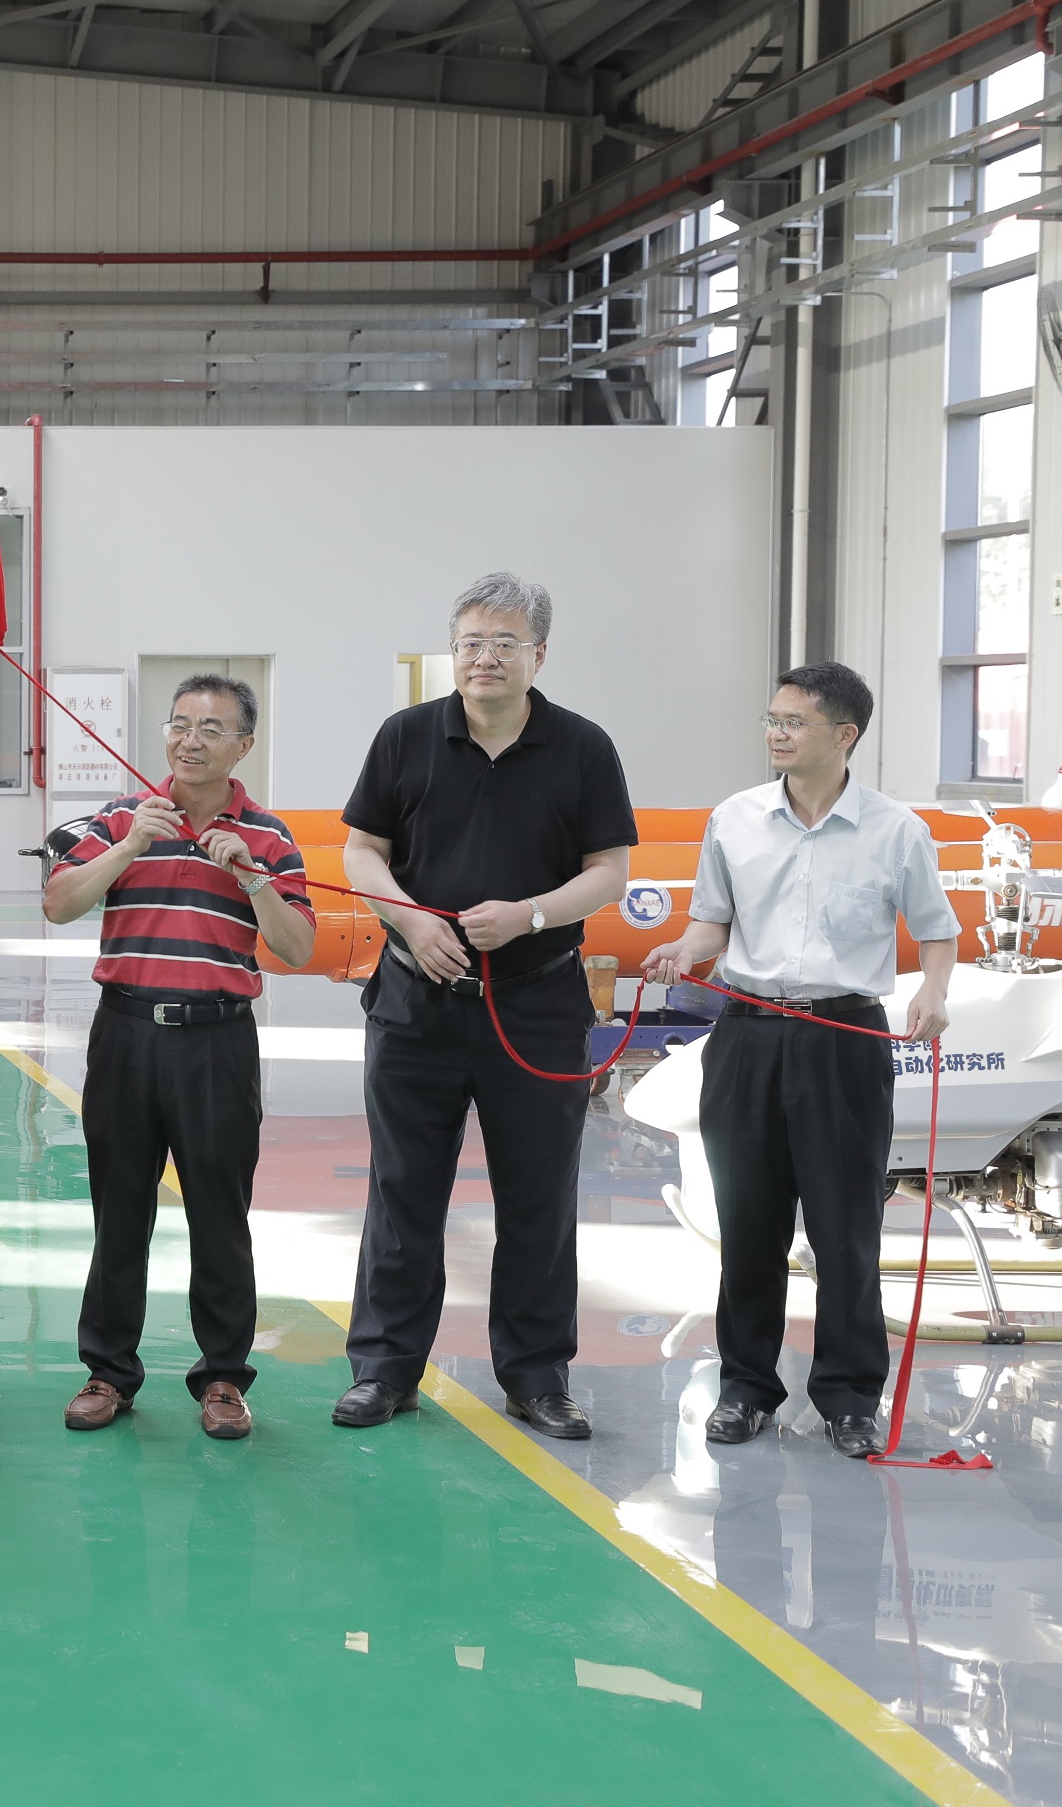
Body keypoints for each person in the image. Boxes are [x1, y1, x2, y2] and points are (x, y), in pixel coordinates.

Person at [335, 572, 637, 1440]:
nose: (485, 658)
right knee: (402, 1194)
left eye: (505, 643)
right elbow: (362, 852)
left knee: (538, 1199)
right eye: (470, 642)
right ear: (453, 650)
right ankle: (385, 1370)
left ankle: (537, 1377)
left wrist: (531, 915)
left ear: (539, 654)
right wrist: (408, 919)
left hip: (537, 1006)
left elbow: (609, 874)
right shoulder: (406, 736)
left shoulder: (582, 747)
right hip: (416, 1004)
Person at [642, 663, 956, 1458]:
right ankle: (746, 1389)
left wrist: (933, 992)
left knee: (845, 1229)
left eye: (795, 722)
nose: (777, 734)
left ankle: (850, 1398)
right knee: (749, 1225)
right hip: (748, 1035)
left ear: (844, 735)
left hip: (845, 1038)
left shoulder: (896, 831)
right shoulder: (734, 819)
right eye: (773, 720)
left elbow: (936, 930)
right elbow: (712, 922)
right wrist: (683, 950)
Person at [40, 674, 316, 1439]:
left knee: (220, 1216)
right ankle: (109, 1372)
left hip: (217, 1043)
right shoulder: (121, 818)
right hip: (126, 1035)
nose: (190, 740)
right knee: (119, 1209)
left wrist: (253, 879)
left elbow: (297, 948)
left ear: (244, 746)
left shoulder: (268, 837)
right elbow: (59, 903)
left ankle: (223, 1378)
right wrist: (131, 845)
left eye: (211, 728)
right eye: (180, 724)